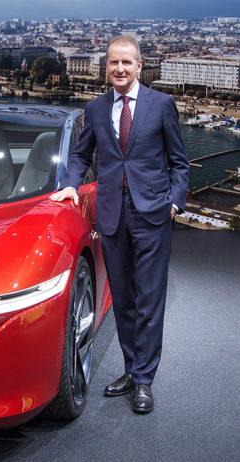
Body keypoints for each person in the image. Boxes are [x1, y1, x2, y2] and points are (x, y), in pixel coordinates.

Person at [50, 35, 189, 413]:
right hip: (112, 214)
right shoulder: (94, 109)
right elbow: (80, 157)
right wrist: (68, 187)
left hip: (153, 214)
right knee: (124, 300)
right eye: (114, 63)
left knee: (149, 299)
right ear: (106, 66)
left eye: (127, 63)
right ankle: (132, 369)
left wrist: (175, 202)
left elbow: (179, 163)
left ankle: (144, 380)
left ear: (139, 66)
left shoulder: (162, 105)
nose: (120, 69)